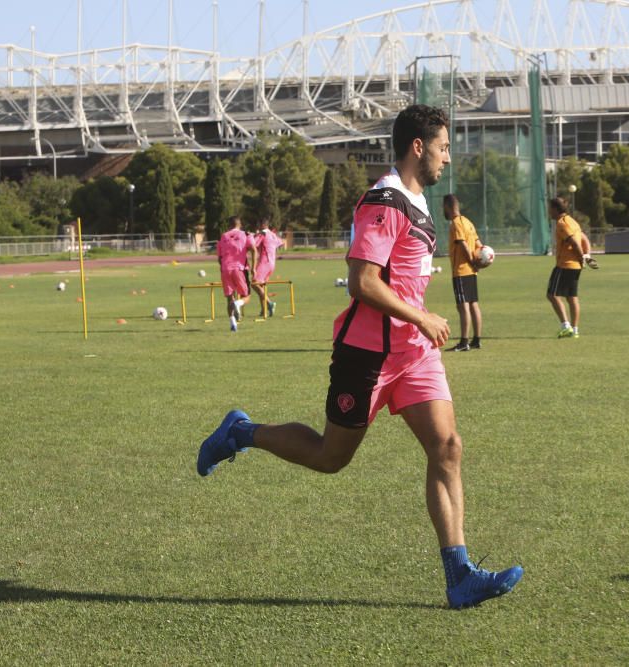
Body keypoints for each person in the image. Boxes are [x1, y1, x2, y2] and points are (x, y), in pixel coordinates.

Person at [196, 104, 523, 610]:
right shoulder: (384, 200)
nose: (447, 160)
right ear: (419, 147)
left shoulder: (416, 200)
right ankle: (243, 433)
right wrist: (420, 317)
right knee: (332, 457)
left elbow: (402, 277)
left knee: (448, 448)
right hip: (367, 355)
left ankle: (459, 575)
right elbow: (362, 281)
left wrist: (417, 321)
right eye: (443, 148)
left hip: (414, 354)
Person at [546, 197, 593, 339]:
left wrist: (581, 256)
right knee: (572, 297)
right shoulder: (572, 221)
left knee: (552, 295)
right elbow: (584, 238)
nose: (549, 212)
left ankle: (566, 326)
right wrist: (587, 255)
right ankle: (575, 329)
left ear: (555, 209)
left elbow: (575, 242)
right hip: (575, 266)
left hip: (565, 265)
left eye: (550, 208)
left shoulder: (562, 223)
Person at [444, 194, 483, 351]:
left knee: (463, 306)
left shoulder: (456, 223)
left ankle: (464, 342)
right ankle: (476, 340)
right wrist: (481, 261)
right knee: (473, 304)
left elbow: (462, 245)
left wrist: (472, 261)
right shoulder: (468, 222)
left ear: (447, 206)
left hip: (461, 270)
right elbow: (480, 245)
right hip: (472, 272)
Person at [216, 216, 257, 332]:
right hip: (239, 269)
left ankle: (233, 323)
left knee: (229, 298)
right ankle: (238, 304)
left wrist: (223, 268)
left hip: (225, 269)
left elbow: (219, 258)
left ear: (229, 225)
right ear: (240, 224)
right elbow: (254, 249)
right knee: (247, 296)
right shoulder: (246, 234)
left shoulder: (223, 236)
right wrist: (254, 268)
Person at [251, 219, 284, 318]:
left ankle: (270, 303)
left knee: (254, 283)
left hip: (264, 262)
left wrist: (254, 235)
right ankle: (263, 310)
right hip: (272, 263)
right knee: (262, 286)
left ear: (262, 225)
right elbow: (281, 243)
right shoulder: (273, 234)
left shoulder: (263, 234)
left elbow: (253, 244)